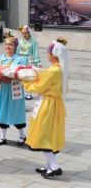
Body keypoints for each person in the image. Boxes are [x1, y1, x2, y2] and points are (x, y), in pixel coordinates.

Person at [22, 38, 68, 178]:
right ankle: (48, 166)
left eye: (48, 52)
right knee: (51, 133)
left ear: (53, 54)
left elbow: (39, 86)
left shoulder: (53, 71)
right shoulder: (60, 69)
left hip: (47, 104)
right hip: (56, 104)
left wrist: (25, 82)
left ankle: (54, 167)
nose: (47, 54)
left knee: (43, 134)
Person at [0, 34, 29, 146]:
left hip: (15, 90)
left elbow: (22, 74)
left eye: (10, 44)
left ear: (15, 46)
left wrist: (10, 77)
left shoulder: (20, 59)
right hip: (2, 89)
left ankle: (22, 135)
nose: (7, 46)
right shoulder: (0, 58)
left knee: (16, 112)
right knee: (1, 111)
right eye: (6, 44)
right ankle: (2, 137)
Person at [18, 25, 41, 101]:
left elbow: (35, 52)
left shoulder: (33, 42)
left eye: (25, 33)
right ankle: (23, 92)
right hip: (21, 59)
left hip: (29, 59)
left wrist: (38, 62)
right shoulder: (20, 41)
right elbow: (17, 51)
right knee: (21, 76)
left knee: (28, 76)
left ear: (29, 33)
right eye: (23, 33)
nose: (24, 35)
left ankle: (28, 93)